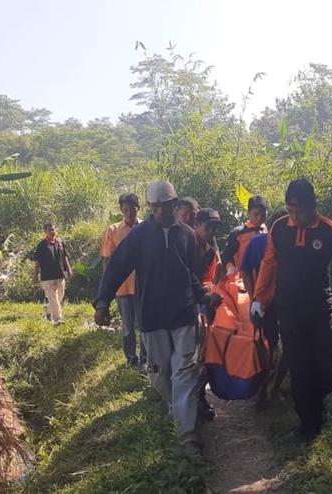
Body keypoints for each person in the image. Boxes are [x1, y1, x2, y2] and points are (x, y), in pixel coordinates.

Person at [252, 179, 332, 440]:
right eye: (289, 210)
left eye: (298, 211)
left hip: (319, 308)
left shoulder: (329, 231)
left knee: (329, 373)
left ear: (313, 207)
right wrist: (259, 298)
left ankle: (318, 401)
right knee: (300, 369)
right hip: (288, 308)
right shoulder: (279, 229)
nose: (293, 216)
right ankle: (309, 426)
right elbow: (269, 264)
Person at [94, 180, 208, 455]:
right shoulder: (139, 235)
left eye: (165, 206)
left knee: (185, 373)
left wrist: (202, 295)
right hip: (152, 315)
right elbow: (116, 268)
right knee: (158, 373)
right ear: (149, 207)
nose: (160, 211)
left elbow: (190, 272)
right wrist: (102, 302)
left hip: (183, 312)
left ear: (174, 204)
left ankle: (187, 436)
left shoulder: (187, 234)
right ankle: (176, 406)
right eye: (154, 206)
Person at [239, 209, 289, 399]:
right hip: (264, 303)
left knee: (289, 344)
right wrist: (255, 298)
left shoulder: (296, 243)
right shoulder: (258, 243)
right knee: (265, 343)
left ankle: (275, 386)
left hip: (287, 302)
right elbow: (244, 270)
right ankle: (262, 385)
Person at [99, 193, 146, 366]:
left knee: (144, 326)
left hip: (143, 287)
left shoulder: (147, 228)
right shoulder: (113, 230)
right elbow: (108, 261)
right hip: (123, 287)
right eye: (125, 210)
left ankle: (145, 359)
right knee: (127, 327)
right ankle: (130, 358)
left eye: (132, 209)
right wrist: (107, 289)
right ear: (121, 211)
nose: (129, 213)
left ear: (138, 208)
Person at [192, 207, 223, 421]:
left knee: (201, 355)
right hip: (179, 305)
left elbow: (209, 279)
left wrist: (208, 293)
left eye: (214, 228)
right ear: (196, 225)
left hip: (199, 304)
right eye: (207, 227)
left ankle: (199, 399)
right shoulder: (183, 244)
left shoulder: (211, 251)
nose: (211, 232)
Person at [33, 222, 72, 325]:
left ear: (56, 230)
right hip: (48, 275)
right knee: (53, 297)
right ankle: (57, 319)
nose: (51, 232)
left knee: (60, 296)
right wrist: (35, 275)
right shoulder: (42, 245)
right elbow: (37, 261)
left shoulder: (60, 243)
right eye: (49, 230)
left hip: (60, 273)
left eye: (53, 229)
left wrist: (69, 269)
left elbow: (64, 257)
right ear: (45, 231)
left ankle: (49, 308)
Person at [221, 195, 268, 276]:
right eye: (255, 214)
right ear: (248, 213)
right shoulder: (238, 233)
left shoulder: (269, 232)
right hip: (243, 279)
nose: (259, 218)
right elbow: (226, 254)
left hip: (264, 278)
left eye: (263, 215)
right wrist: (230, 267)